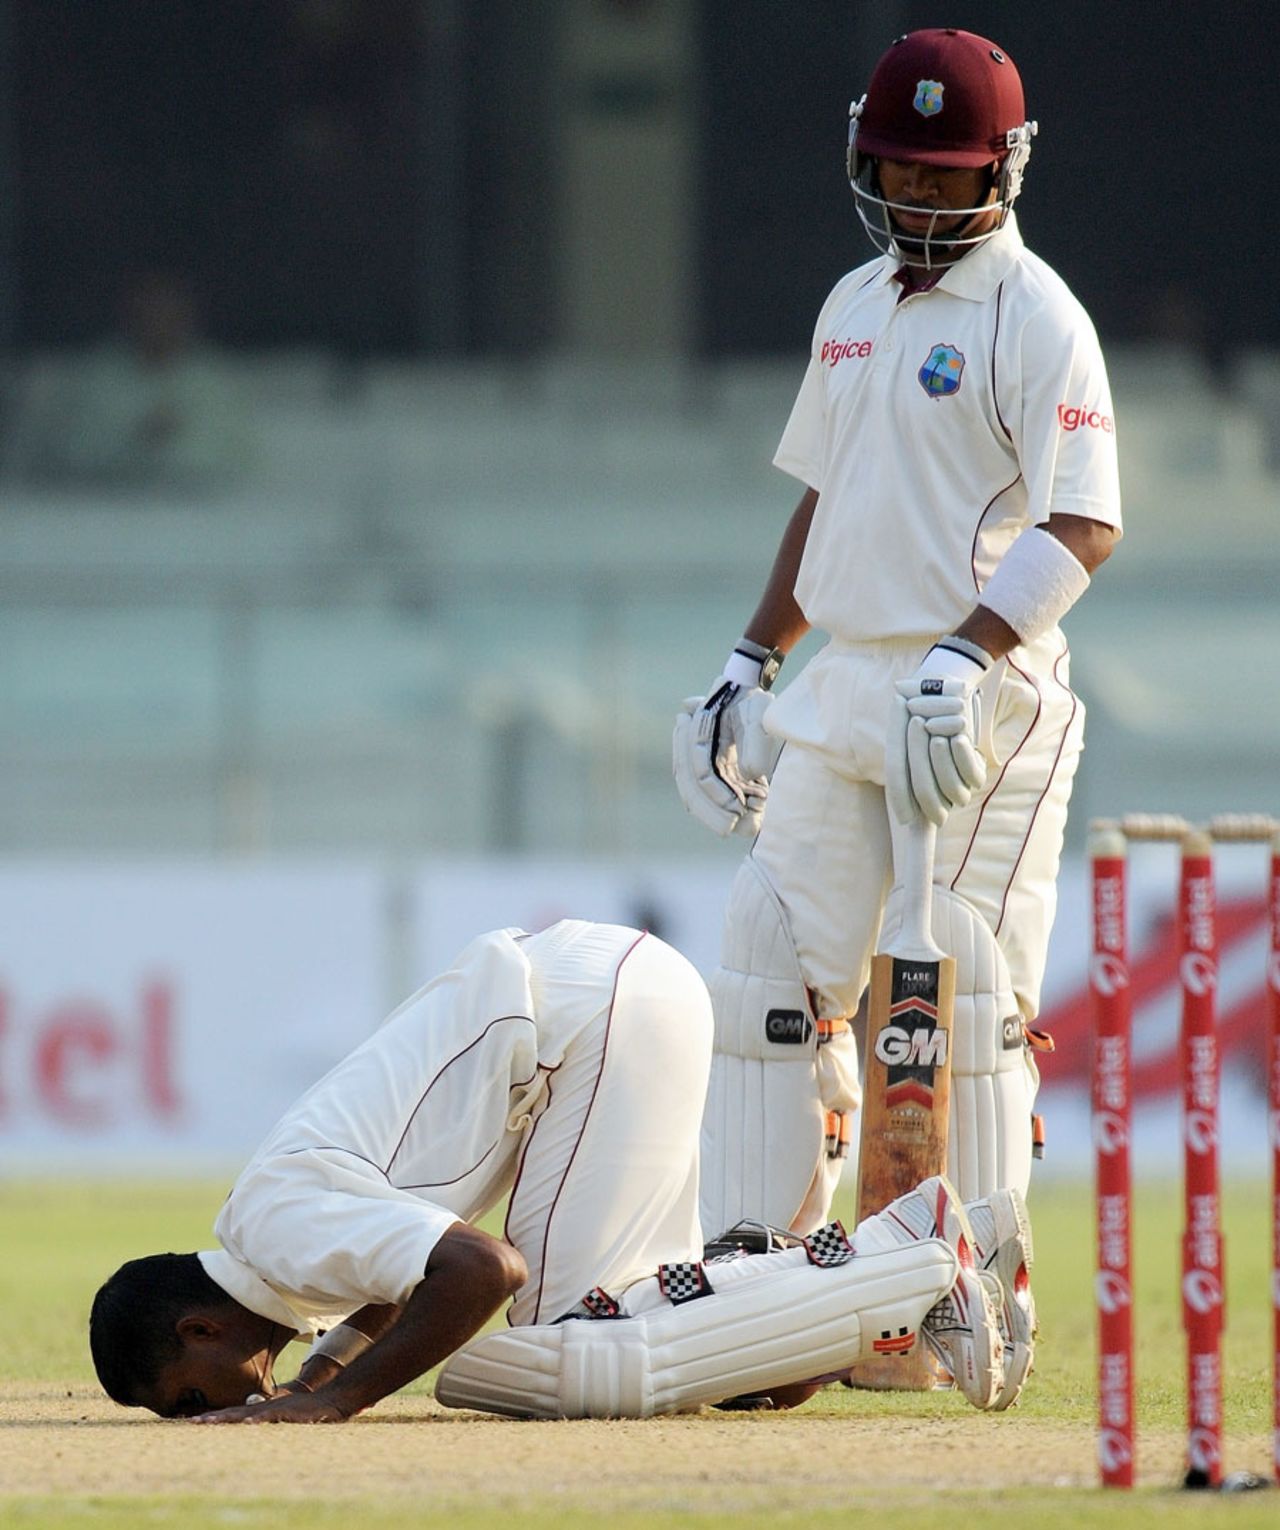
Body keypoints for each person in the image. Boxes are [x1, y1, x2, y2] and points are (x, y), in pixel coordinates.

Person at [674, 28, 1121, 1243]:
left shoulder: (1036, 316)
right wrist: (748, 659)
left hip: (976, 695)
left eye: (941, 172)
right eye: (896, 167)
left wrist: (965, 651)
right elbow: (828, 501)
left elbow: (1082, 520)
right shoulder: (855, 303)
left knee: (962, 993)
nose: (914, 193)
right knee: (770, 963)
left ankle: (956, 1294)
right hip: (847, 683)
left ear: (1000, 170)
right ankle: (760, 1271)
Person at [89, 918, 1035, 1422]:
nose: (205, 1416)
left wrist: (336, 1402)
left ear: (200, 1328)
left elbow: (482, 1270)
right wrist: (320, 1375)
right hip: (611, 999)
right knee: (744, 1377)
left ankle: (903, 1255)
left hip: (590, 1017)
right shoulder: (280, 1243)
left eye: (187, 1399)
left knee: (561, 1342)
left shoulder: (273, 1225)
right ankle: (869, 1305)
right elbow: (397, 1287)